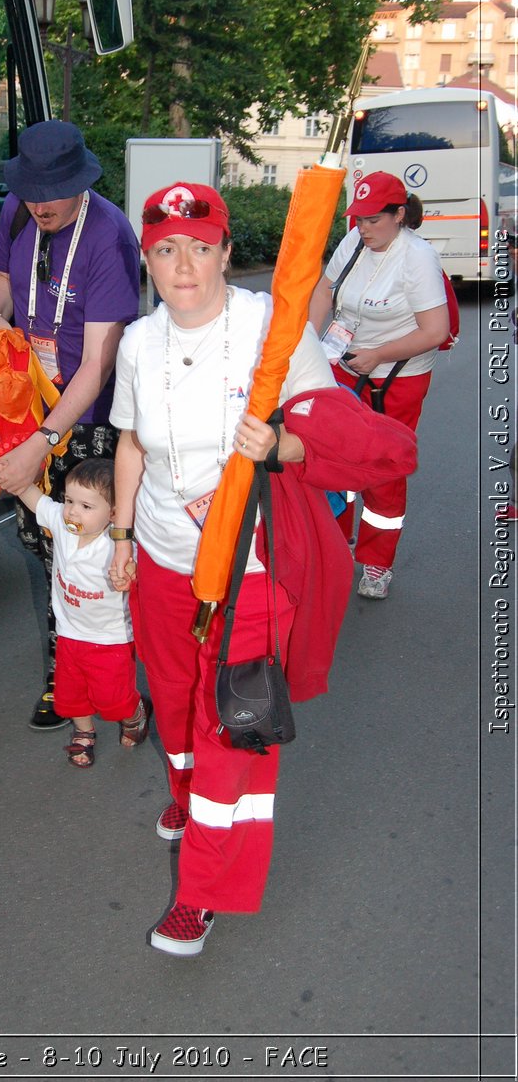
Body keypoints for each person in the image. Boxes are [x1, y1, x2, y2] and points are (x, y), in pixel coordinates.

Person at [108, 182, 417, 956]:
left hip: (250, 567)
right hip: (163, 561)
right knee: (176, 704)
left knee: (233, 728)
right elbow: (132, 445)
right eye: (167, 249)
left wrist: (284, 447)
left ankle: (204, 892)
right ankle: (183, 792)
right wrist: (120, 536)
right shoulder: (139, 342)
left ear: (223, 252)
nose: (185, 265)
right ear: (148, 257)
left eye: (201, 247)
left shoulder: (268, 332)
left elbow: (343, 432)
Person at [0, 121, 140, 729]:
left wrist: (43, 442)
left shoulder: (110, 236)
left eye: (55, 192)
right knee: (45, 543)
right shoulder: (17, 210)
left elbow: (100, 364)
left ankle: (106, 675)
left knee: (89, 549)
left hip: (90, 418)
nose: (41, 205)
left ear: (82, 182)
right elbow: (3, 278)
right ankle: (70, 670)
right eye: (32, 192)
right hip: (30, 400)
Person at [308, 171, 450, 599]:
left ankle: (376, 563)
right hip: (347, 360)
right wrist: (310, 345)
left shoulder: (417, 258)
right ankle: (332, 546)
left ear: (398, 214)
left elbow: (435, 330)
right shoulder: (354, 242)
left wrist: (378, 355)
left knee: (382, 467)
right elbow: (324, 290)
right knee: (331, 456)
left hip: (398, 374)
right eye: (358, 218)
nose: (363, 228)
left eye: (373, 219)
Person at [15, 459, 150, 767]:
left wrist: (128, 576)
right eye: (69, 501)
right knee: (71, 693)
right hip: (69, 631)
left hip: (112, 637)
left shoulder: (120, 546)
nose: (73, 511)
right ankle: (83, 733)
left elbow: (137, 576)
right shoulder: (62, 526)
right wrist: (11, 476)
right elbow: (34, 498)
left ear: (115, 514)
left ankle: (134, 713)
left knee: (113, 700)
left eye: (87, 506)